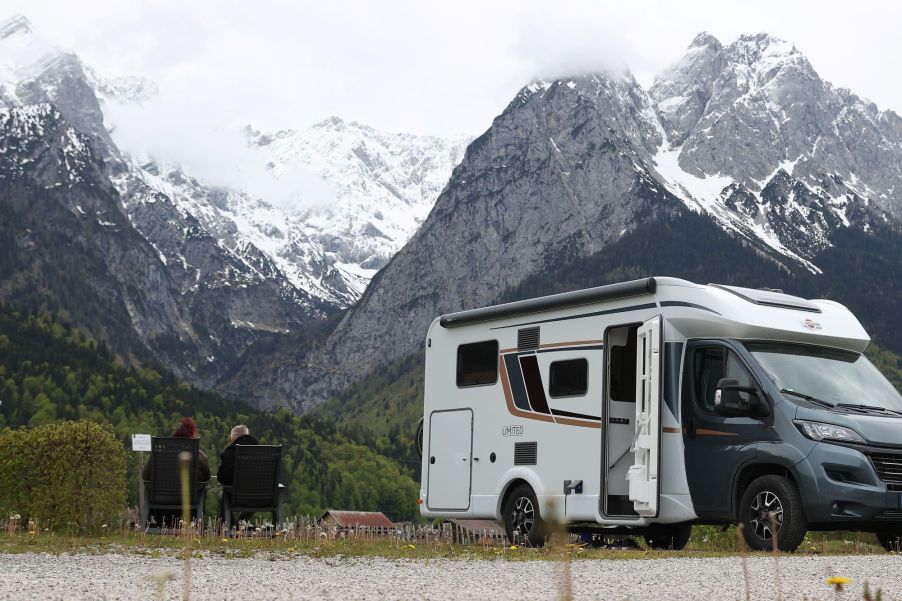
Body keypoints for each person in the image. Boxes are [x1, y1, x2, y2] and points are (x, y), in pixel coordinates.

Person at [141, 417, 211, 482]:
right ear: (192, 437)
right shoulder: (199, 456)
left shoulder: (158, 454)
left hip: (161, 491)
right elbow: (207, 477)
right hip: (190, 491)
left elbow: (145, 476)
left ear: (175, 435)